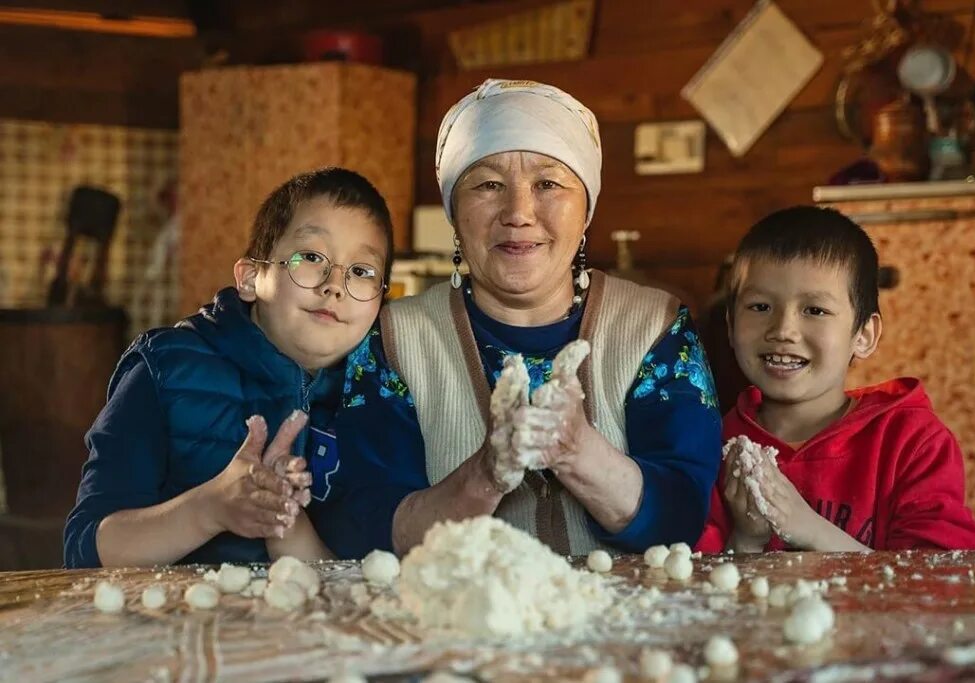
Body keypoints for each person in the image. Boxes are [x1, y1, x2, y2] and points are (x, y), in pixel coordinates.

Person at [318, 78, 722, 559]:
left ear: (586, 209)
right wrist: (485, 474)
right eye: (488, 185)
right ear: (453, 211)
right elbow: (370, 529)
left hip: (624, 624)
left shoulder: (656, 329)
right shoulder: (393, 340)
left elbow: (682, 516)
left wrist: (578, 451)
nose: (518, 213)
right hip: (453, 625)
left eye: (548, 184)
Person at [63, 167, 393, 567]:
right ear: (252, 278)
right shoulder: (165, 369)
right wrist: (211, 508)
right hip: (171, 624)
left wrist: (283, 518)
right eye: (311, 257)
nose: (335, 285)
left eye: (362, 271)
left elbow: (349, 585)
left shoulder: (382, 398)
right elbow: (86, 550)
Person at [696, 206, 975, 553]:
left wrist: (811, 531)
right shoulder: (714, 444)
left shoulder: (911, 442)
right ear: (730, 325)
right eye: (760, 307)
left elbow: (941, 582)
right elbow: (699, 590)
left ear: (863, 335)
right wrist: (746, 539)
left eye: (815, 310)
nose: (783, 330)